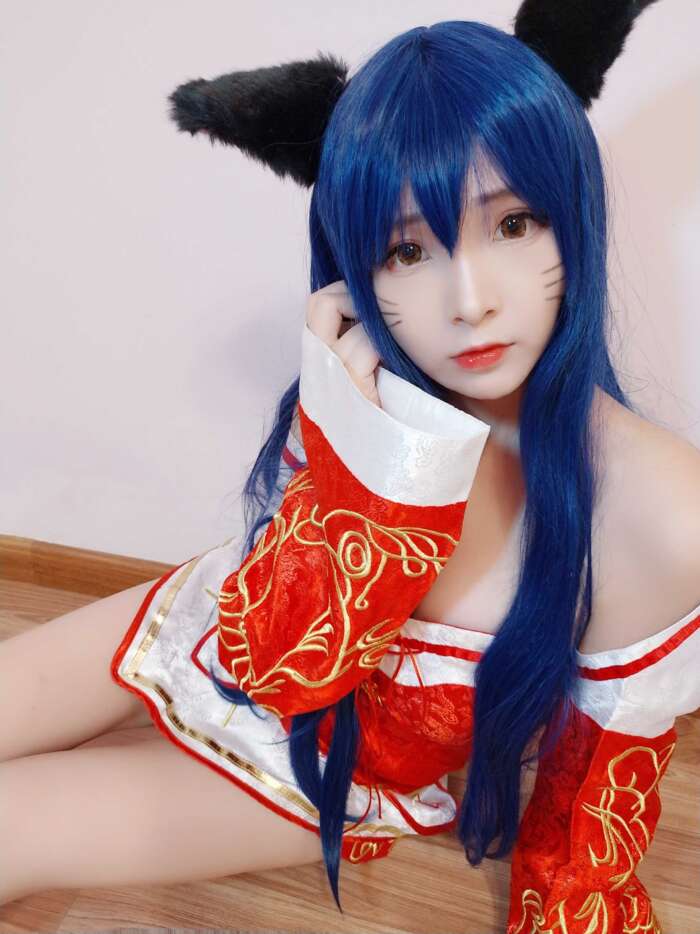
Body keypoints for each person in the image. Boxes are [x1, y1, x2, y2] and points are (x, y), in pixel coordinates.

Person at [2, 6, 699, 932]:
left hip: (322, 771)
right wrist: (361, 450)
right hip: (223, 614)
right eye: (408, 250)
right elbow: (272, 642)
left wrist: (387, 487)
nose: (470, 301)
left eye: (514, 223)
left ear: (574, 216)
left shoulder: (661, 513)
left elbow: (584, 841)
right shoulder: (368, 396)